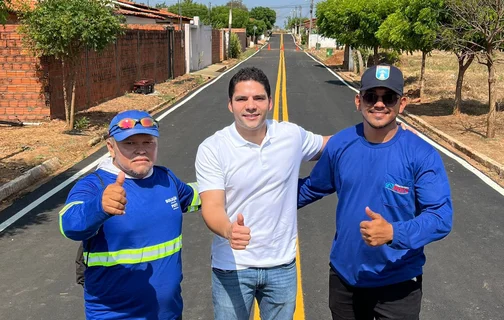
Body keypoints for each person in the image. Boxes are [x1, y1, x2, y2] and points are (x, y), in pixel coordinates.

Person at [298, 64, 453, 320]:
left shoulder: (421, 154)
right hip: (345, 278)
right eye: (371, 96)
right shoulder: (341, 144)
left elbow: (440, 217)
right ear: (358, 100)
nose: (379, 104)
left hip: (398, 283)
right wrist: (252, 200)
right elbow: (310, 188)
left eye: (388, 97)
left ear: (402, 103)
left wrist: (394, 232)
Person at [195, 67, 330, 320]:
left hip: (282, 265)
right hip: (232, 267)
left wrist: (383, 132)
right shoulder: (213, 148)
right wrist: (228, 230)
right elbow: (212, 205)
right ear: (230, 105)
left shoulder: (290, 135)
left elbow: (330, 145)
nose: (250, 106)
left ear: (269, 102)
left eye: (258, 98)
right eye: (241, 99)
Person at [59, 109, 200, 320]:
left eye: (148, 142)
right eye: (130, 144)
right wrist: (99, 206)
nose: (140, 150)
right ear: (111, 147)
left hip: (169, 314)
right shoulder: (94, 185)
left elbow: (199, 197)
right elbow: (69, 224)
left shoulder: (166, 179)